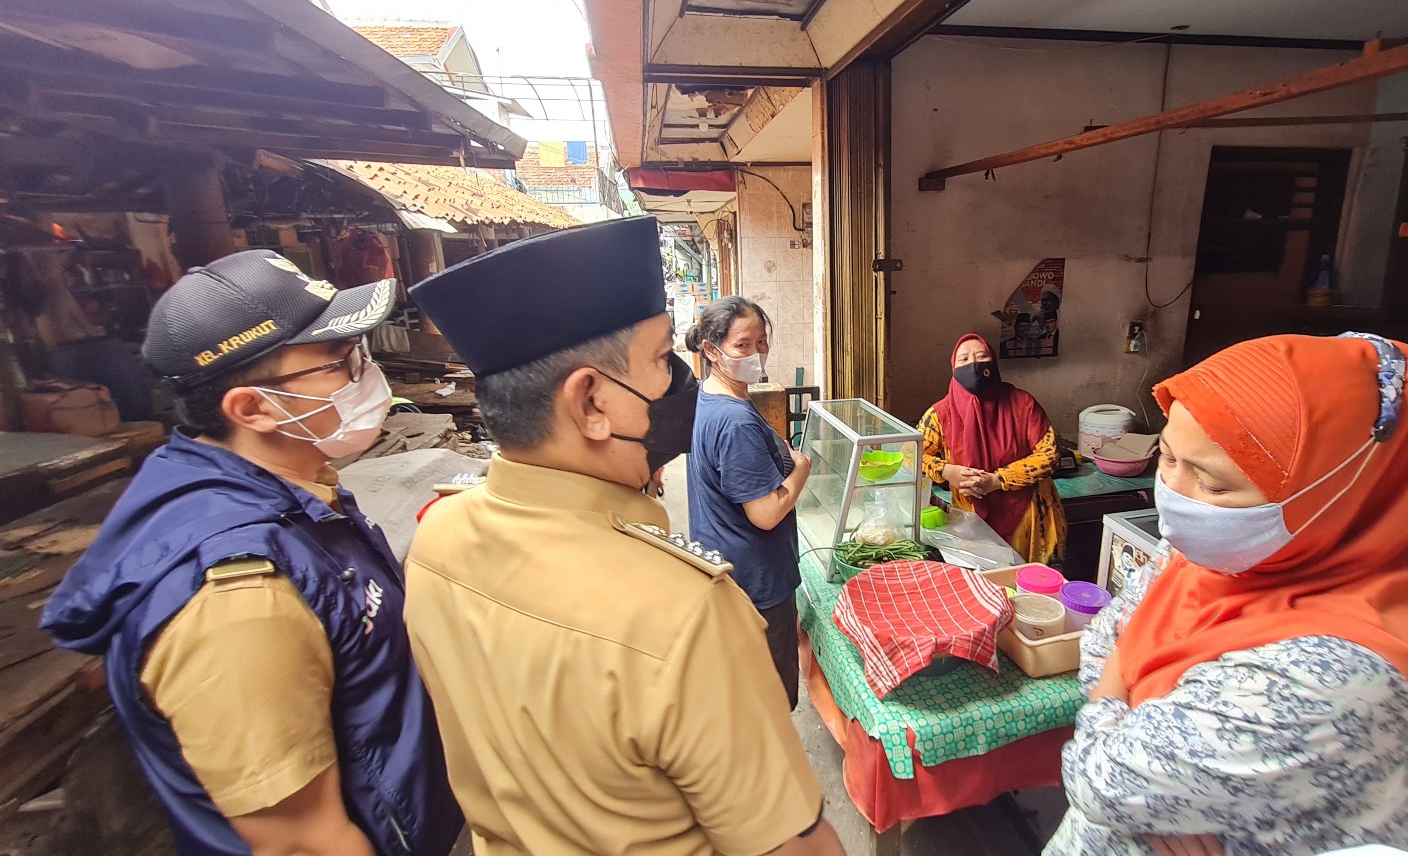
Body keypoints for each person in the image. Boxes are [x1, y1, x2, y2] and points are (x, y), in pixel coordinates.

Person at [402, 217, 845, 856]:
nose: (681, 383)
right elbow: (793, 846)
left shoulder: (437, 538)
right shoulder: (685, 611)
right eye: (663, 360)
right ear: (590, 404)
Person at [41, 250, 462, 856]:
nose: (367, 374)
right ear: (252, 407)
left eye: (360, 353)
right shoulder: (240, 597)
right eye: (340, 361)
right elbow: (300, 840)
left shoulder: (296, 491)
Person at [1043, 333, 1408, 856]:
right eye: (1169, 458)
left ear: (1337, 491)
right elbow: (1101, 641)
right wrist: (1131, 740)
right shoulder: (1215, 555)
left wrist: (1117, 708)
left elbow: (1102, 783)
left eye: (1214, 484)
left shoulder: (1330, 676)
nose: (1174, 495)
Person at [684, 296, 811, 710]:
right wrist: (801, 468)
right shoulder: (734, 420)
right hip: (756, 583)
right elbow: (766, 513)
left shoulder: (709, 395)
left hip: (727, 569)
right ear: (711, 349)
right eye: (742, 345)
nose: (756, 353)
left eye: (761, 342)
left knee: (744, 697)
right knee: (770, 703)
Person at [918, 334, 1066, 564]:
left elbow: (1049, 455)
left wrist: (998, 480)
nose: (973, 365)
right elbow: (911, 454)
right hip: (971, 517)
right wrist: (947, 471)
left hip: (1031, 514)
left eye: (981, 356)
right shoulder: (940, 414)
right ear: (953, 368)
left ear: (994, 363)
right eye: (964, 359)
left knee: (1030, 579)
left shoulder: (1023, 404)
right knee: (983, 578)